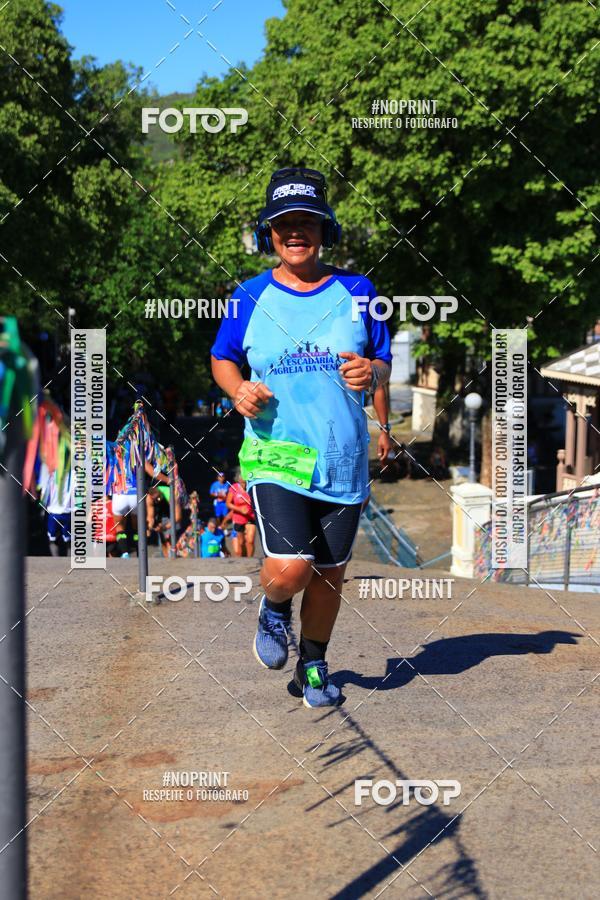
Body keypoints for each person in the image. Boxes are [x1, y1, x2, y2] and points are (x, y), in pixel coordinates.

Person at [211, 166, 391, 708]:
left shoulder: (360, 292)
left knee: (330, 575)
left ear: (324, 229)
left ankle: (313, 665)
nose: (295, 232)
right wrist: (237, 389)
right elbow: (222, 358)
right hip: (276, 452)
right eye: (283, 223)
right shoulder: (247, 295)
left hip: (342, 457)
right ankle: (273, 607)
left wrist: (374, 383)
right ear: (270, 232)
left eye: (306, 222)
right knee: (293, 569)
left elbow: (380, 362)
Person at [226, 475, 256, 557]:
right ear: (238, 481)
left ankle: (250, 560)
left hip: (251, 517)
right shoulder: (234, 488)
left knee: (250, 541)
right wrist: (240, 509)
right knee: (241, 542)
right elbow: (228, 504)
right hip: (238, 518)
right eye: (242, 483)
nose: (244, 485)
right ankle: (244, 559)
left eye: (246, 482)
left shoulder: (252, 487)